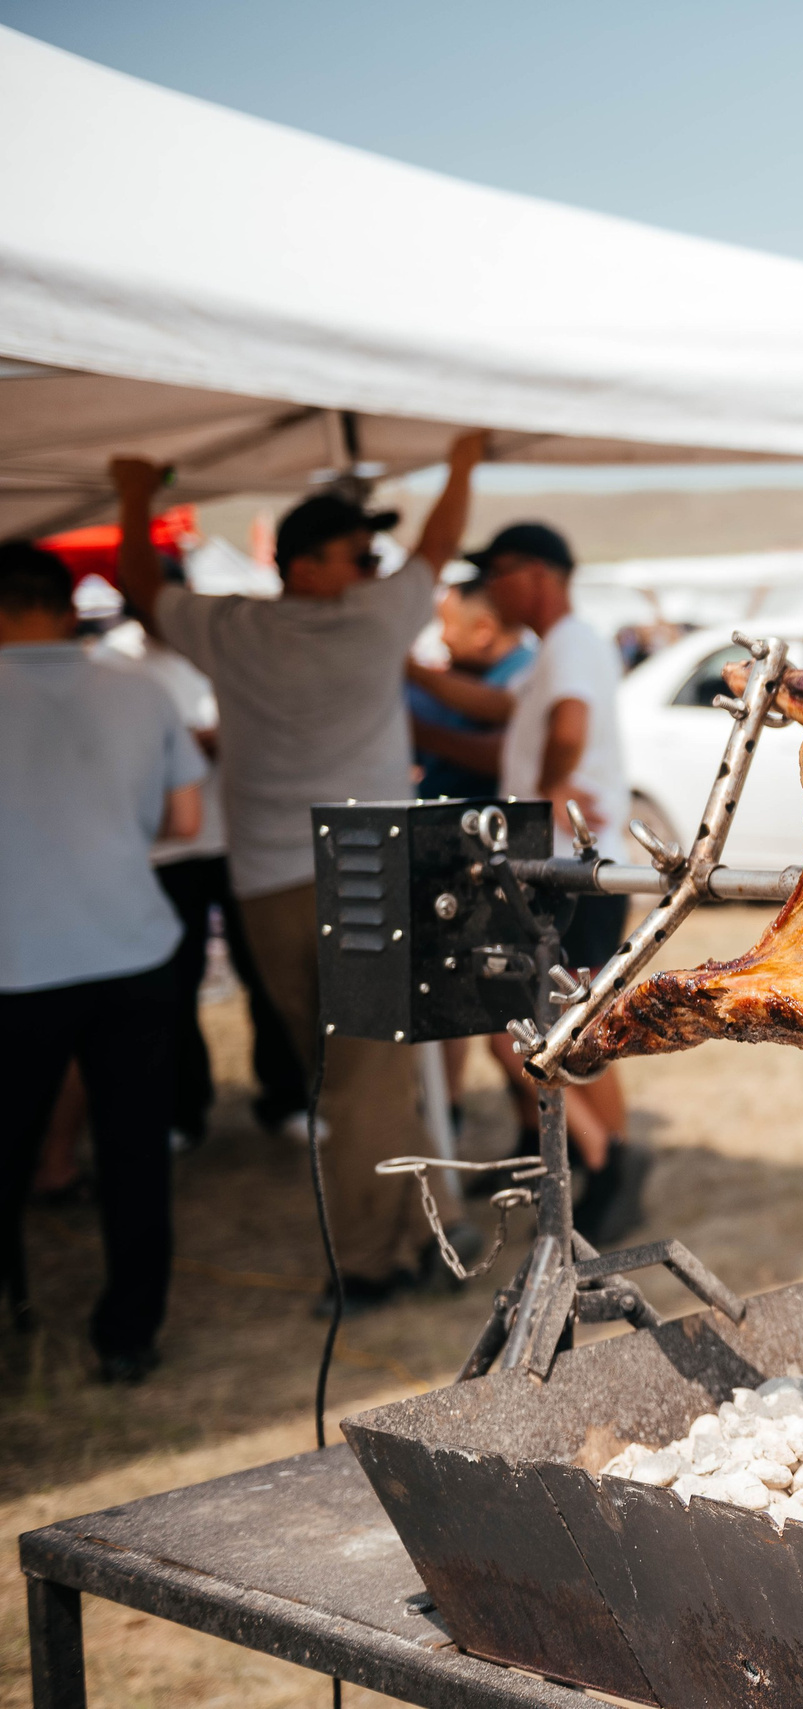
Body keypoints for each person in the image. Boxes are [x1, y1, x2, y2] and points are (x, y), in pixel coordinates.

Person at [113, 433, 488, 1309]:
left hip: (269, 881)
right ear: (305, 565)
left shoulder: (232, 629)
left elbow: (140, 589)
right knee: (368, 1073)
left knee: (340, 1072)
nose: (371, 564)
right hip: (367, 869)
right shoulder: (374, 619)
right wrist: (463, 466)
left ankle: (402, 1235)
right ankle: (372, 1258)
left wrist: (134, 495)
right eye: (357, 553)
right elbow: (437, 546)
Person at [1, 541, 205, 1381]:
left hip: (17, 963)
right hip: (134, 945)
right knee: (133, 1153)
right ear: (65, 602)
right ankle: (128, 1337)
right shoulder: (139, 688)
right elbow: (187, 821)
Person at [471, 521, 653, 1243]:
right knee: (568, 1026)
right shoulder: (561, 648)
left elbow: (569, 725)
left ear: (539, 574)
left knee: (526, 1030)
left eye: (497, 571)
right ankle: (609, 1157)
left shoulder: (571, 642)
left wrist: (548, 788)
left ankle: (609, 1158)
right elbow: (517, 718)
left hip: (565, 874)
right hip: (571, 870)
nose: (488, 586)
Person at [98, 590, 307, 1148]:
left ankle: (286, 1097)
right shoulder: (115, 663)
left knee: (267, 977)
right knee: (175, 981)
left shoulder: (225, 649)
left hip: (238, 841)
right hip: (168, 853)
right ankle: (182, 1109)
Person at [406, 580, 537, 798]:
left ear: (483, 630)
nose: (442, 637)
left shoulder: (525, 671)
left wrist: (422, 734)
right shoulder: (485, 672)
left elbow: (509, 750)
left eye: (446, 624)